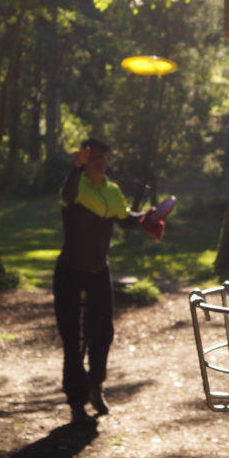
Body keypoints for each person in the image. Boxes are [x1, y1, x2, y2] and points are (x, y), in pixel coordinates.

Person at [53, 137, 164, 424]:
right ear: (84, 161)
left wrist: (146, 218)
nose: (100, 162)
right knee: (72, 337)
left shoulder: (112, 191)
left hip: (98, 271)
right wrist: (75, 170)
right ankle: (76, 400)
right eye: (94, 158)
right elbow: (66, 195)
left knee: (103, 333)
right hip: (70, 271)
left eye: (103, 157)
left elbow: (124, 218)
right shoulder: (76, 187)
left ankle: (95, 386)